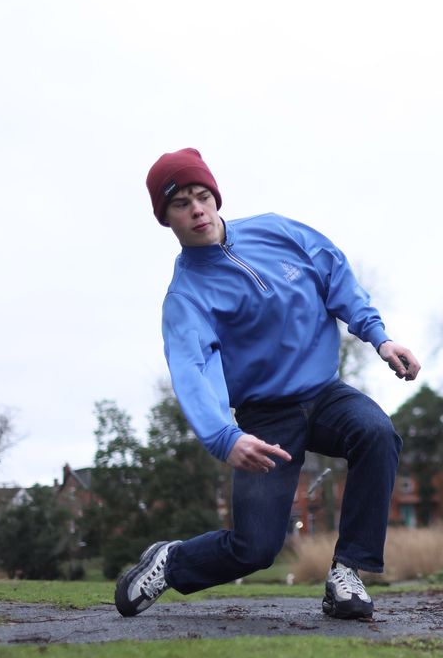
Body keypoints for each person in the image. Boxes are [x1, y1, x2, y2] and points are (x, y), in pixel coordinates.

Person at [115, 147, 420, 621]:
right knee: (254, 549)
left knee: (376, 432)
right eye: (181, 204)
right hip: (266, 418)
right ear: (166, 218)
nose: (196, 209)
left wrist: (379, 338)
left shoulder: (277, 231)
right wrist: (225, 437)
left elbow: (335, 273)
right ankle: (172, 562)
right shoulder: (187, 298)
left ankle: (348, 573)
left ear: (216, 198)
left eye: (202, 196)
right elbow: (194, 371)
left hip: (324, 393)